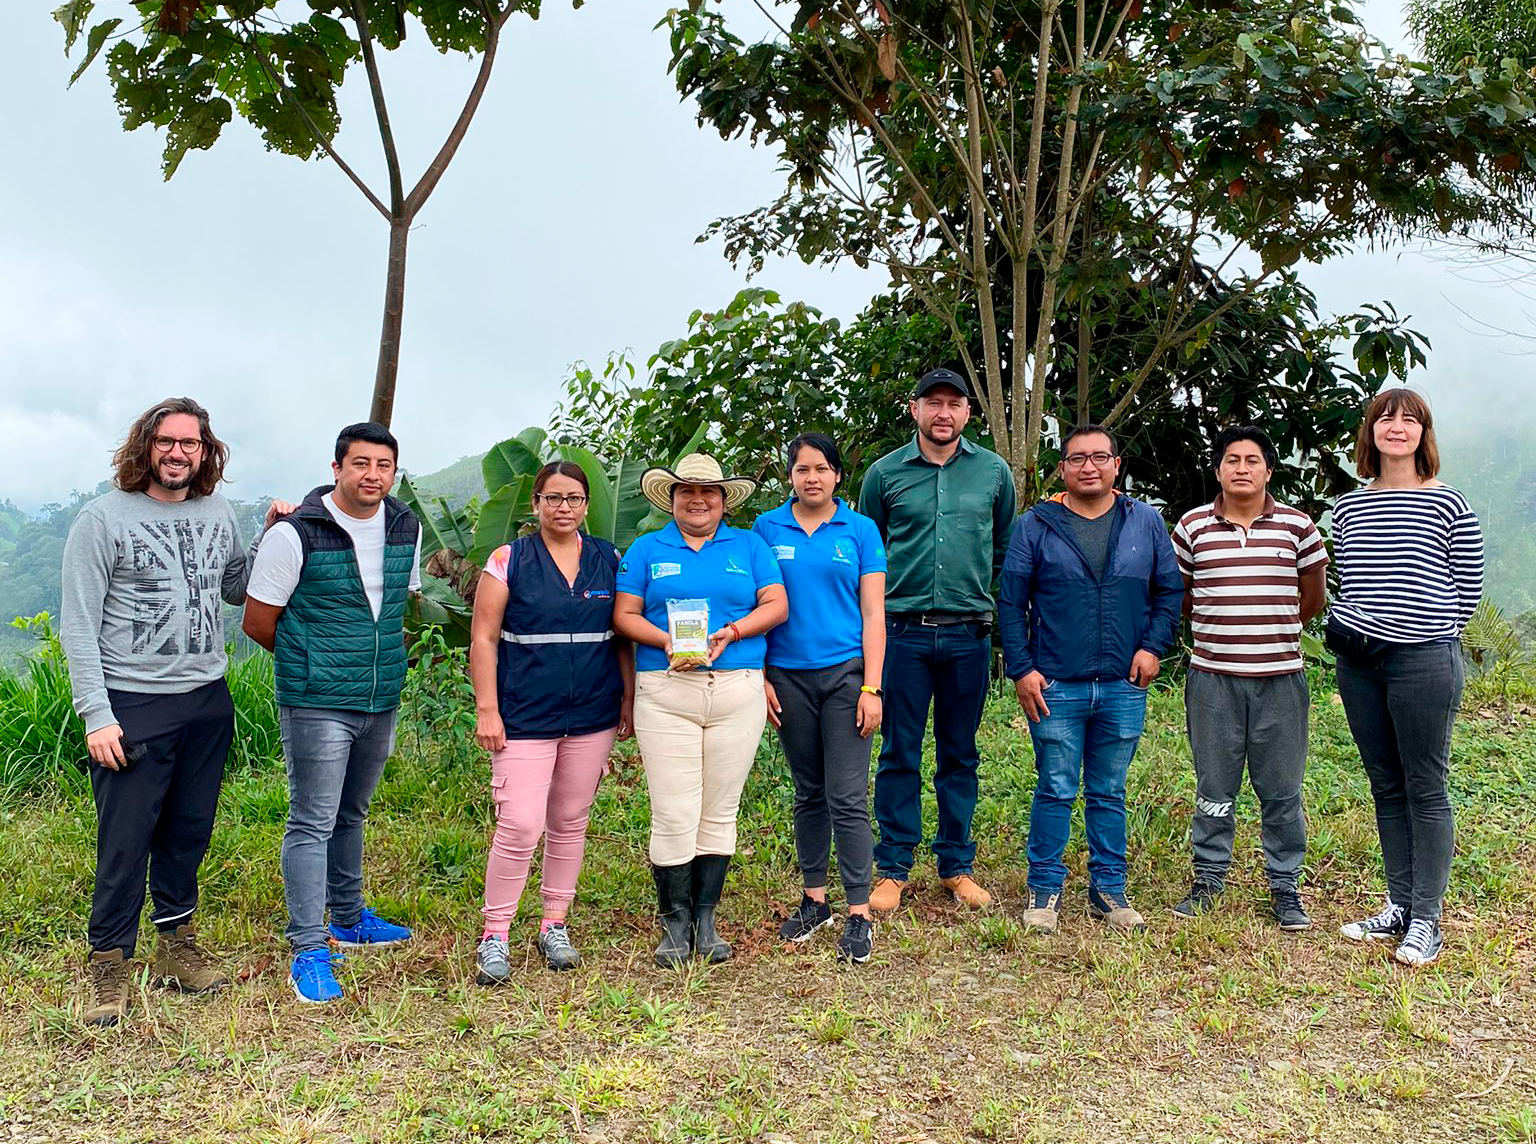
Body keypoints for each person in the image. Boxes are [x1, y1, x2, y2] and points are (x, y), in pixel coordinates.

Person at [61, 397, 292, 1027]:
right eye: (167, 442)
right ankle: (108, 962)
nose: (178, 453)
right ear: (145, 446)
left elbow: (236, 587)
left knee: (188, 831)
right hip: (132, 702)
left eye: (191, 444)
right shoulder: (101, 520)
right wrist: (96, 715)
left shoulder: (215, 510)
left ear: (206, 452)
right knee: (125, 840)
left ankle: (175, 948)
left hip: (206, 698)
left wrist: (272, 536)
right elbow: (77, 625)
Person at [242, 422, 422, 1003]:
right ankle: (308, 948)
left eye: (384, 466)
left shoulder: (404, 525)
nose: (373, 475)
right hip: (317, 701)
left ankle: (347, 917)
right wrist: (315, 663)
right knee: (312, 820)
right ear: (337, 468)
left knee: (352, 812)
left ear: (394, 472)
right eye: (361, 464)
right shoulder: (296, 534)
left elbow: (398, 604)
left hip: (380, 696)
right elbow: (257, 620)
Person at [999, 423, 1183, 935]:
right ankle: (1045, 890)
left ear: (1116, 465)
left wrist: (1153, 647)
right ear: (1063, 468)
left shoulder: (1144, 522)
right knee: (1055, 787)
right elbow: (1011, 604)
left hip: (1125, 684)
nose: (1089, 466)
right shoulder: (1036, 525)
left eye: (1099, 457)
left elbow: (1169, 592)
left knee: (1108, 790)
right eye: (1077, 458)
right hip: (1056, 682)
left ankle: (1109, 890)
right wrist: (1022, 669)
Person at [1327, 388, 1483, 967]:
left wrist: (1420, 632)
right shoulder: (1347, 507)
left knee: (1426, 785)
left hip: (1422, 660)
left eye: (1409, 420)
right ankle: (1399, 904)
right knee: (1385, 784)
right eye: (1386, 418)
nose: (1397, 427)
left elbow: (1467, 588)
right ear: (1371, 432)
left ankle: (1428, 918)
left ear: (1424, 433)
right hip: (1359, 663)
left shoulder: (1449, 504)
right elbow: (1352, 579)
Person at [613, 453, 788, 967]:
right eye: (686, 491)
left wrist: (733, 631)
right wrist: (668, 640)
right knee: (673, 810)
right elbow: (624, 615)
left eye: (708, 492)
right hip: (666, 688)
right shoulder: (647, 549)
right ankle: (675, 921)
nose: (697, 500)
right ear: (671, 499)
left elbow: (776, 605)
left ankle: (706, 920)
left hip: (737, 686)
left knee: (719, 807)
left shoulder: (750, 545)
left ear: (722, 500)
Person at [467, 461, 634, 982]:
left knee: (569, 823)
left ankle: (553, 924)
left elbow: (623, 637)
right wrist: (487, 709)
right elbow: (484, 639)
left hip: (592, 713)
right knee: (519, 825)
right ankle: (495, 934)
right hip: (522, 715)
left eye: (575, 499)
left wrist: (628, 699)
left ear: (586, 505)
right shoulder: (508, 560)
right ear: (535, 504)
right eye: (554, 498)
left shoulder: (609, 559)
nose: (565, 508)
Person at [858, 368, 1016, 913]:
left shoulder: (993, 473)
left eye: (954, 404)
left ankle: (956, 866)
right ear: (915, 409)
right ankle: (894, 868)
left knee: (960, 753)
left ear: (968, 413)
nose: (943, 413)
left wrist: (981, 602)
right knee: (899, 752)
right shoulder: (884, 475)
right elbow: (869, 555)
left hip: (968, 636)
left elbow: (1002, 548)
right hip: (901, 636)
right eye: (933, 403)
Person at [1169, 426, 1328, 929]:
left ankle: (1285, 888)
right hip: (1212, 679)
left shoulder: (1298, 527)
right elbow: (1182, 596)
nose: (1242, 468)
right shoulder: (1192, 527)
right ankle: (1209, 878)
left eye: (1252, 460)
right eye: (1232, 459)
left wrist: (1271, 633)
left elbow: (1313, 598)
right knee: (1214, 785)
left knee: (1282, 789)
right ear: (1217, 470)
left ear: (1268, 470)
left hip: (1281, 680)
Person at [753, 433, 887, 964]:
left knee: (847, 796)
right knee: (809, 791)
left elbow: (874, 613)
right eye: (802, 469)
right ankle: (815, 900)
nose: (812, 477)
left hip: (846, 677)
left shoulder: (860, 529)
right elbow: (757, 604)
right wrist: (760, 676)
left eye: (823, 468)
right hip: (787, 678)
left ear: (837, 476)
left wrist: (873, 687)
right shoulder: (766, 528)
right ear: (790, 475)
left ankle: (859, 911)